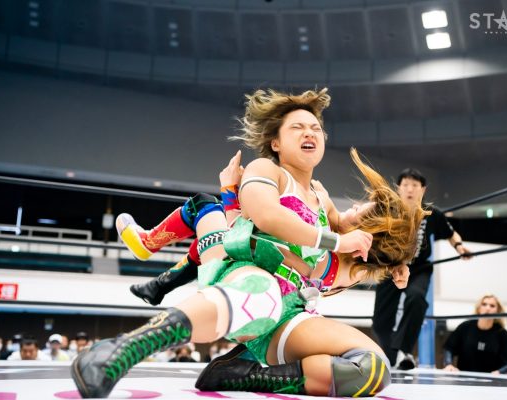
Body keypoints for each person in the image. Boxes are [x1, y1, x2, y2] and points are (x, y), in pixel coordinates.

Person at [71, 88, 426, 398]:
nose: (309, 132)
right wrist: (335, 240)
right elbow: (266, 214)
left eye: (316, 127)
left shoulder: (321, 198)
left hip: (287, 316)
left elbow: (358, 242)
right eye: (297, 127)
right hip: (241, 270)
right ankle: (121, 350)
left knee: (373, 367)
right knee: (254, 281)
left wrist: (395, 263)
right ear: (276, 142)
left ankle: (243, 373)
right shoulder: (267, 171)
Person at [372, 168, 472, 370]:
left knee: (416, 299)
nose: (410, 189)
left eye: (415, 185)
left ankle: (404, 351)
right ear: (398, 188)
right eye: (406, 185)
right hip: (390, 267)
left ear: (423, 189)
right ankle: (395, 357)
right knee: (380, 322)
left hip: (419, 269)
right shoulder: (388, 210)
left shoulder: (432, 213)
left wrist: (460, 247)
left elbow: (451, 233)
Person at [443, 294, 507, 374]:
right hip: (464, 376)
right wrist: (448, 364)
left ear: (498, 311)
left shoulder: (502, 334)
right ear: (479, 308)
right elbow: (449, 348)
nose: (487, 308)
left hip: (490, 379)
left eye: (492, 306)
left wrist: (499, 372)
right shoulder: (465, 327)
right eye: (484, 304)